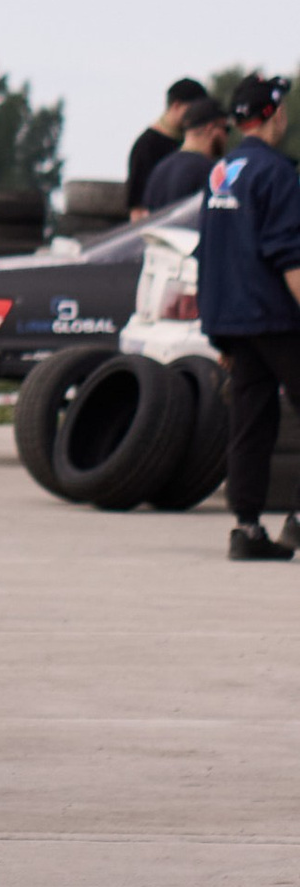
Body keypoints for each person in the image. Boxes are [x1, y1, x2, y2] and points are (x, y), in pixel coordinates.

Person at [192, 74, 300, 562]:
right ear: (273, 115)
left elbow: (209, 252)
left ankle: (247, 529)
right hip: (275, 318)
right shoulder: (277, 173)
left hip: (233, 321)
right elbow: (288, 254)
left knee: (251, 422)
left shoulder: (221, 172)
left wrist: (219, 333)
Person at [128, 79, 217, 216]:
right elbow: (137, 209)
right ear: (176, 106)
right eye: (192, 109)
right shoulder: (146, 146)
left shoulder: (185, 141)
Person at [140, 102, 231, 220]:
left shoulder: (160, 169)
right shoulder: (210, 171)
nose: (226, 137)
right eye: (226, 129)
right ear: (210, 128)